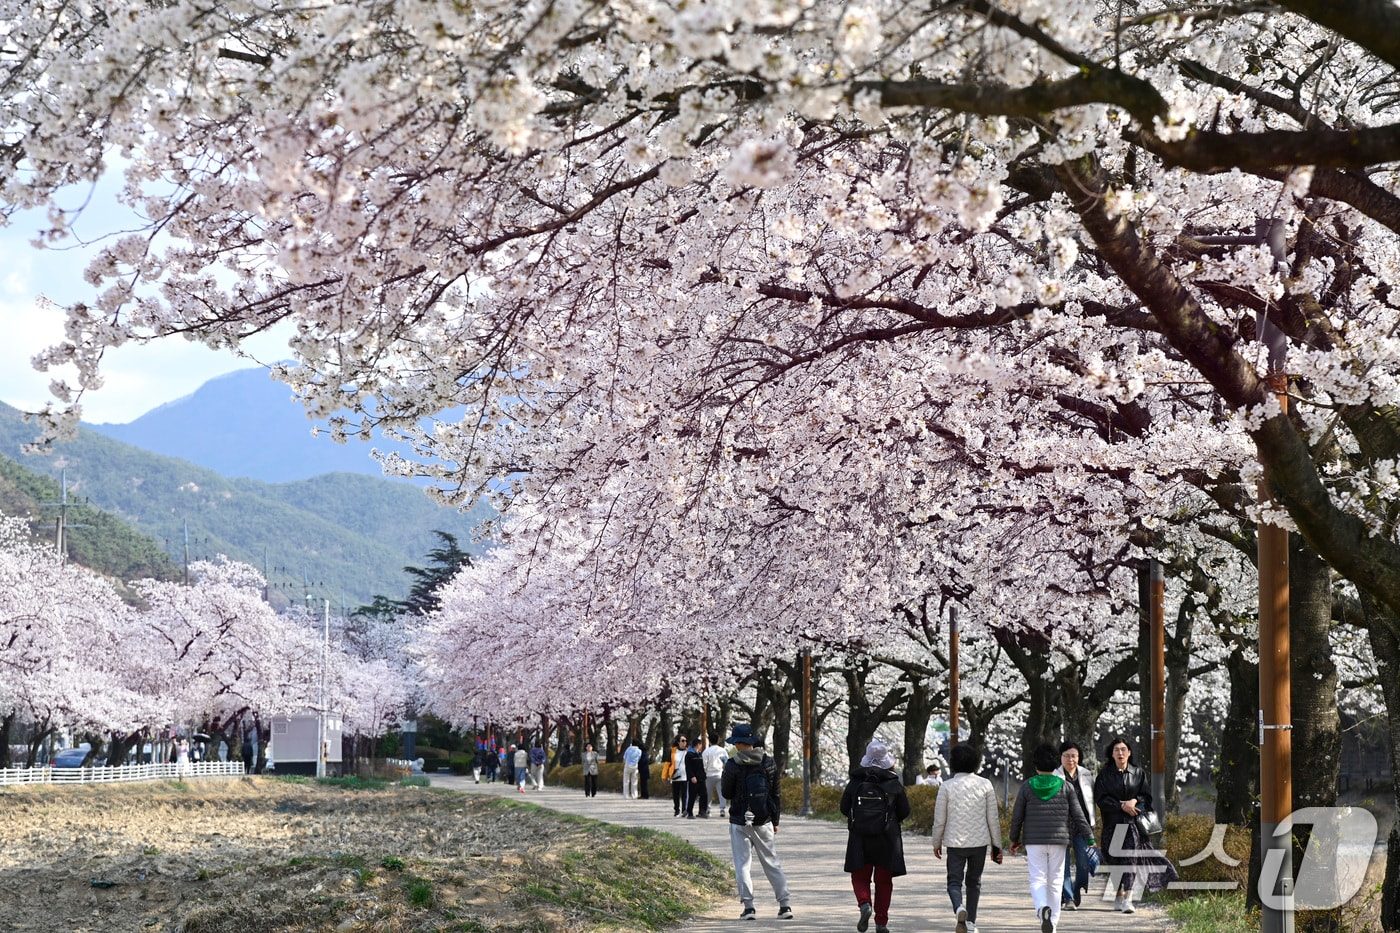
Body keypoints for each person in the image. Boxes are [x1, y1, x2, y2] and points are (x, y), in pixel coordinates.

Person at [1010, 743, 1095, 933]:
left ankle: (1042, 910)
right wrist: (1089, 837)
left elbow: (1017, 816)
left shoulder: (1027, 786)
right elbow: (1078, 815)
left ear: (1035, 765)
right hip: (1059, 840)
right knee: (1056, 881)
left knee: (1037, 879)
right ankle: (1053, 924)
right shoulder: (1065, 787)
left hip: (1034, 840)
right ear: (1056, 763)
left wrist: (1013, 839)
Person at [1093, 735, 1176, 912]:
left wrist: (1134, 802)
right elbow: (1100, 799)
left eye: (1123, 750)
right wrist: (1121, 806)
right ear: (1112, 754)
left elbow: (1146, 798)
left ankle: (1128, 899)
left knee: (1130, 860)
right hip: (1112, 824)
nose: (1120, 753)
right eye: (1117, 750)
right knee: (1114, 860)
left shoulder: (1138, 773)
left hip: (1132, 825)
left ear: (1129, 753)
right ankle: (1119, 894)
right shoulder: (1104, 775)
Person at [720, 723, 793, 921]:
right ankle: (785, 905)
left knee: (742, 865)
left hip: (739, 820)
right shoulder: (768, 762)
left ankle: (749, 908)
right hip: (764, 820)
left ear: (737, 743)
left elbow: (726, 792)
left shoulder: (733, 764)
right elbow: (776, 794)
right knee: (772, 862)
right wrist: (775, 820)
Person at [841, 741, 911, 933]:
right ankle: (881, 923)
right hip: (887, 839)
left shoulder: (856, 781)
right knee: (884, 882)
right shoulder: (893, 783)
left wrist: (861, 819)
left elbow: (843, 808)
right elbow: (905, 810)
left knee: (860, 876)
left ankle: (864, 904)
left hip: (860, 838)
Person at [931, 743, 1002, 933]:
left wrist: (936, 842)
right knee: (974, 882)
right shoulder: (985, 784)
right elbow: (992, 818)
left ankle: (959, 908)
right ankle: (970, 922)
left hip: (955, 843)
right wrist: (997, 845)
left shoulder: (946, 786)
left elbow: (940, 820)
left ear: (953, 763)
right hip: (979, 842)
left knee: (954, 882)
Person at [1054, 741, 1096, 911]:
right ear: (1061, 757)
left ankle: (1077, 887)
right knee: (1062, 865)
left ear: (1079, 757)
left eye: (1074, 756)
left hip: (1082, 826)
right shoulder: (1055, 776)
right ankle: (1068, 898)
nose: (1071, 759)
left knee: (1084, 863)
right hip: (1061, 827)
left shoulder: (1086, 775)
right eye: (1067, 756)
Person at [702, 730, 729, 817]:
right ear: (718, 741)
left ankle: (708, 810)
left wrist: (705, 771)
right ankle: (722, 809)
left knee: (708, 793)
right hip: (720, 774)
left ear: (709, 741)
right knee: (721, 793)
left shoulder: (706, 752)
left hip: (709, 775)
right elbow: (726, 762)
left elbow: (704, 764)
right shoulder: (722, 751)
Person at [684, 734, 709, 817]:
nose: (701, 746)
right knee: (692, 796)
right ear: (698, 745)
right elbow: (688, 767)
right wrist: (692, 776)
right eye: (701, 744)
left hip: (701, 778)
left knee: (704, 795)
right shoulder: (689, 755)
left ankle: (702, 811)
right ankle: (689, 812)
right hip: (694, 779)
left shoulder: (699, 754)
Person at [669, 734, 689, 817]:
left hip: (685, 776)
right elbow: (667, 764)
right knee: (676, 795)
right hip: (675, 776)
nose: (685, 742)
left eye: (685, 741)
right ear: (678, 742)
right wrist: (664, 775)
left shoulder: (688, 751)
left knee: (685, 794)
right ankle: (676, 809)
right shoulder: (673, 752)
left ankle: (684, 809)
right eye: (683, 741)